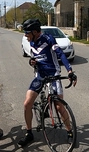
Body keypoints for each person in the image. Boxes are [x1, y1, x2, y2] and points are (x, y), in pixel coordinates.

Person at [18, 19, 77, 147]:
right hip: (40, 75)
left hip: (53, 74)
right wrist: (32, 62)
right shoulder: (32, 42)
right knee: (27, 103)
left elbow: (60, 54)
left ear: (35, 32)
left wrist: (70, 70)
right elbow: (34, 58)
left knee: (59, 106)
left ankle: (70, 132)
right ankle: (29, 133)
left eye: (27, 33)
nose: (25, 36)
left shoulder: (48, 39)